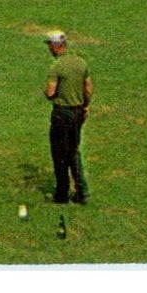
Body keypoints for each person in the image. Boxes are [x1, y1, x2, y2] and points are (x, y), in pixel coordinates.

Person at [43, 31, 92, 205]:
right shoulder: (81, 63)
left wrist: (47, 94)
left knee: (59, 154)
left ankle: (62, 195)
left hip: (61, 114)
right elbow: (88, 89)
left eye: (49, 44)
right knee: (73, 151)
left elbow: (50, 91)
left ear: (55, 46)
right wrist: (85, 106)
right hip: (78, 112)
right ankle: (82, 192)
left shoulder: (56, 67)